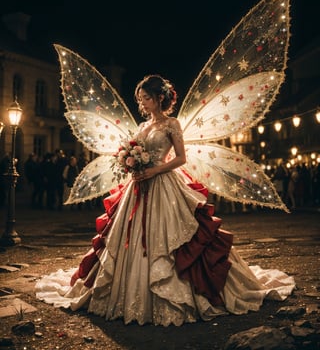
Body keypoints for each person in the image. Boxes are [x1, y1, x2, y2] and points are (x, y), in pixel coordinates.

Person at [35, 75, 295, 326]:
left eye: (146, 98)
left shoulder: (172, 125)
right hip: (139, 185)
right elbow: (135, 151)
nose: (143, 103)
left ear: (160, 98)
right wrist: (131, 164)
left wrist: (154, 169)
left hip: (163, 181)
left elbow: (181, 158)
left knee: (175, 237)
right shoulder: (142, 126)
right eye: (140, 99)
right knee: (126, 236)